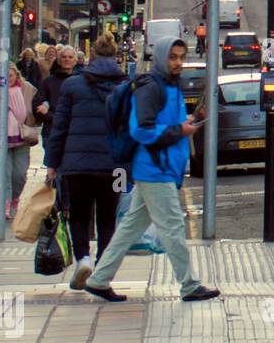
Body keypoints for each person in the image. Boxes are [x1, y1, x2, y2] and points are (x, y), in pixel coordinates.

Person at [83, 36, 220, 304]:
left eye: (181, 56)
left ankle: (98, 280)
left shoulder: (170, 85)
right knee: (173, 228)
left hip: (158, 168)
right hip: (156, 169)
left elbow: (162, 123)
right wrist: (179, 130)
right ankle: (189, 285)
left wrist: (185, 121)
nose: (178, 62)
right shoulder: (151, 87)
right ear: (160, 57)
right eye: (173, 57)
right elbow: (141, 130)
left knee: (129, 229)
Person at [44, 32, 125, 290]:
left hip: (77, 165)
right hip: (115, 167)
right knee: (108, 218)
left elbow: (60, 128)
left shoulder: (72, 85)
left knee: (78, 215)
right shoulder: (125, 86)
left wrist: (52, 163)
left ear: (90, 56)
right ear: (115, 56)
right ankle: (102, 266)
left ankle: (82, 260)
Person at [2, 64, 41, 220]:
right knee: (4, 175)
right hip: (2, 141)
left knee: (19, 175)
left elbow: (36, 108)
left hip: (22, 138)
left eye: (10, 75)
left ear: (17, 76)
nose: (7, 79)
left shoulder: (27, 89)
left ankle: (14, 200)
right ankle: (4, 204)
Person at [36, 44, 78, 141]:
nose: (67, 59)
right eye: (64, 57)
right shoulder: (49, 82)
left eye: (70, 57)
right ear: (59, 60)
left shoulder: (82, 81)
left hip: (73, 131)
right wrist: (49, 115)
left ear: (75, 61)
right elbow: (38, 104)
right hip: (51, 130)